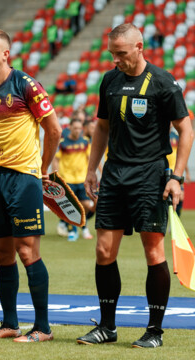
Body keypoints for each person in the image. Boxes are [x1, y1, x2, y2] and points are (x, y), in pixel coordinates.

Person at [78, 23, 193, 348]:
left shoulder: (162, 82)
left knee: (153, 250)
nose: (116, 60)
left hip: (150, 174)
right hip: (114, 174)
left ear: (140, 47)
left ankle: (154, 331)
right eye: (112, 54)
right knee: (103, 251)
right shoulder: (110, 80)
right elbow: (101, 127)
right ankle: (107, 327)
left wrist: (176, 176)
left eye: (122, 54)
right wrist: (92, 169)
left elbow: (186, 130)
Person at [0, 28, 62, 343]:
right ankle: (9, 323)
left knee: (26, 250)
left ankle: (43, 328)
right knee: (1, 252)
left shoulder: (26, 85)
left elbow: (54, 130)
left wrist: (43, 169)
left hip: (23, 177)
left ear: (5, 53)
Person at [52, 118, 94, 241]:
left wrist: (91, 174)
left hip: (82, 179)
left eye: (79, 128)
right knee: (71, 207)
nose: (77, 131)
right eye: (75, 128)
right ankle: (74, 230)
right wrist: (56, 176)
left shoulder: (85, 142)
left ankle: (82, 226)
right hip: (67, 179)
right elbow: (56, 159)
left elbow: (89, 158)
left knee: (86, 205)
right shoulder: (63, 143)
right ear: (69, 127)